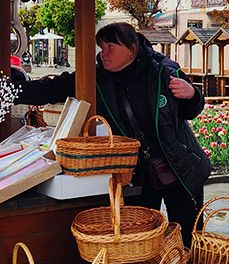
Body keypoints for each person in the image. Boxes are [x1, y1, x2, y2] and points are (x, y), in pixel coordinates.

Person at [16, 22, 211, 245]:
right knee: (141, 237)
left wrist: (192, 95)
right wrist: (5, 91)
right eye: (101, 47)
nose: (104, 53)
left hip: (181, 166)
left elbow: (190, 111)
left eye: (111, 47)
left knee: (189, 236)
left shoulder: (161, 72)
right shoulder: (96, 79)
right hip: (138, 174)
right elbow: (50, 88)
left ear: (131, 48)